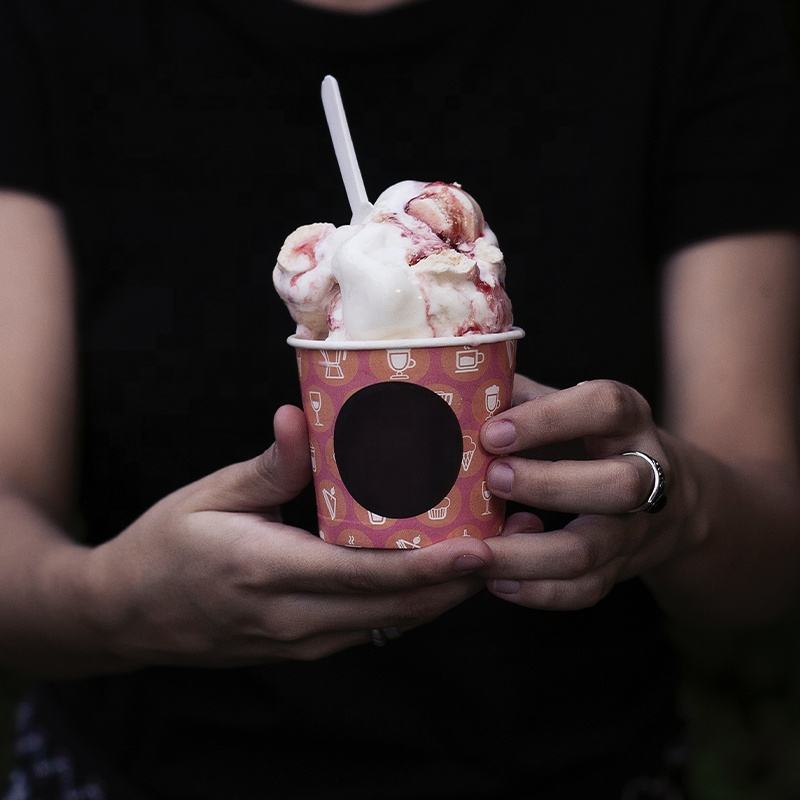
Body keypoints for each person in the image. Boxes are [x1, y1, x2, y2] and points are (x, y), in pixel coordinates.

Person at [0, 0, 798, 797]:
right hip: (134, 774)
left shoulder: (692, 23)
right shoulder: (52, 27)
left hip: (583, 771)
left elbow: (765, 564)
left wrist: (682, 502)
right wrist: (115, 602)